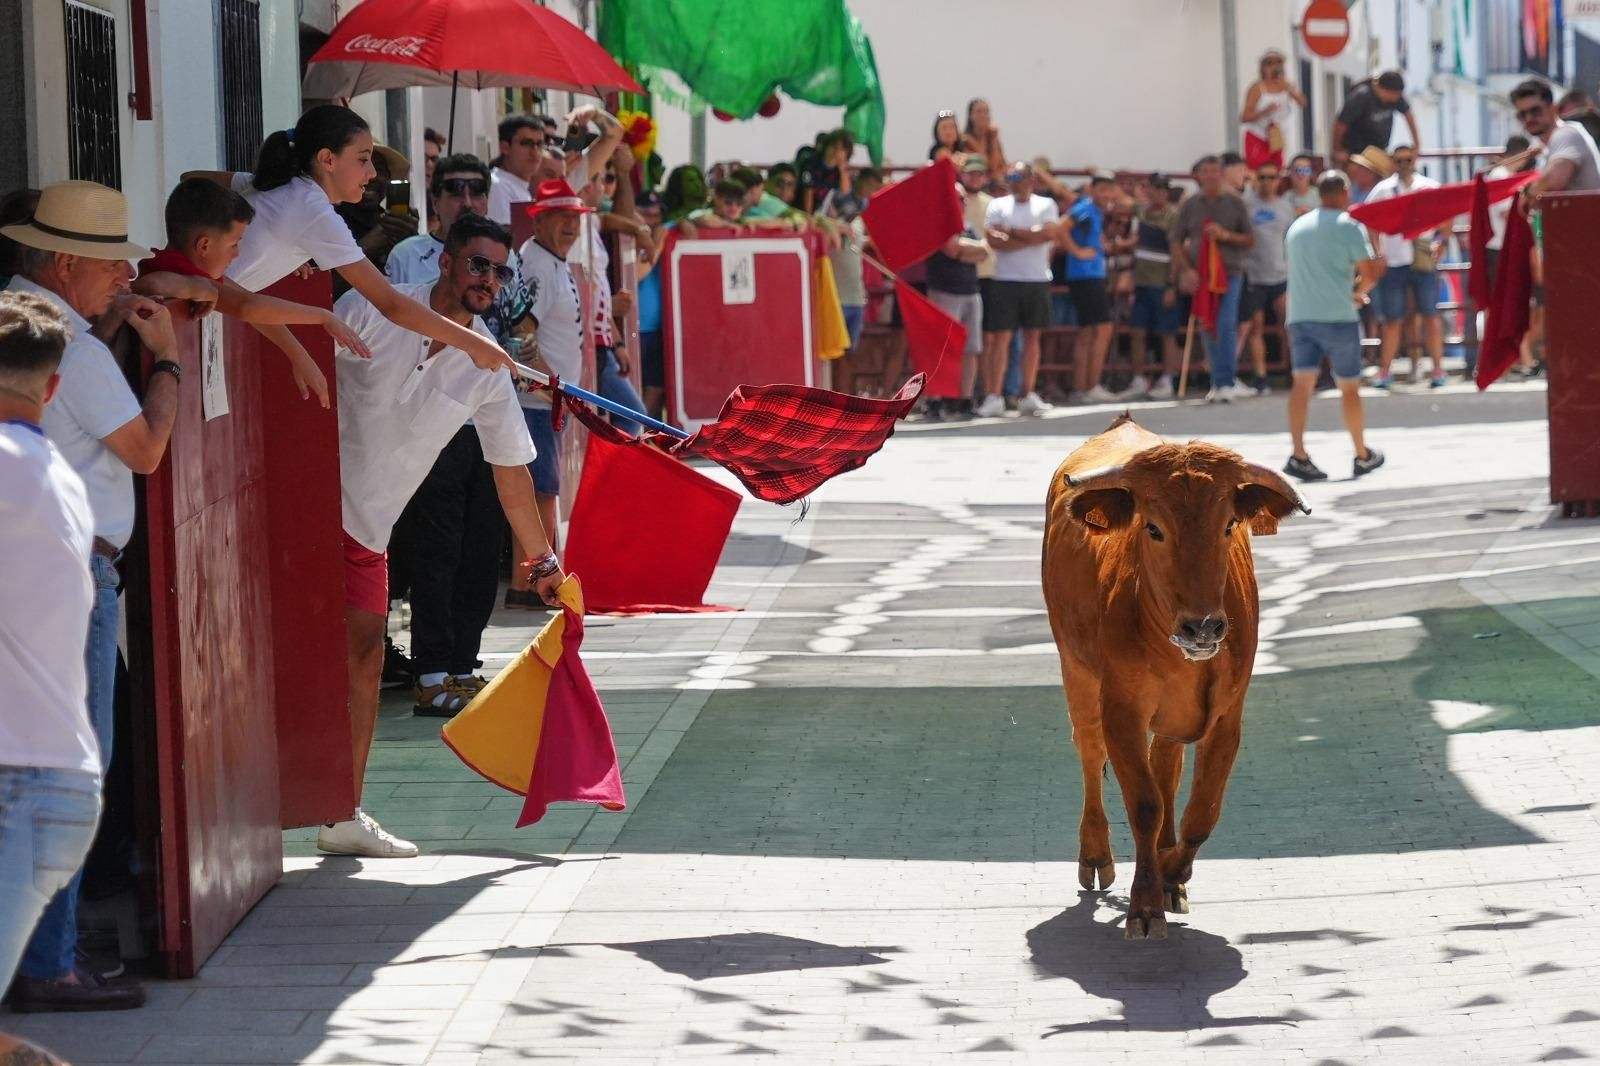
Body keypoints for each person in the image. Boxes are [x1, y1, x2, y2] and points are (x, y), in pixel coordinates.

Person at [328, 215, 564, 855]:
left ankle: (342, 814)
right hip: (304, 513)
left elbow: (511, 477)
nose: (489, 279)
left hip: (367, 531)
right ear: (446, 263)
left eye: (499, 270)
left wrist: (542, 561)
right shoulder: (370, 308)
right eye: (477, 264)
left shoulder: (489, 367)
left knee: (364, 663)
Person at [2, 180, 176, 1011]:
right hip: (71, 576)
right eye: (112, 264)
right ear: (67, 262)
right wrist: (170, 359)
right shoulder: (77, 346)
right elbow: (145, 449)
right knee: (71, 770)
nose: (126, 275)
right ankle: (50, 961)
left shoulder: (27, 322)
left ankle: (42, 951)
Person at [185, 106, 516, 377]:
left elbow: (190, 180)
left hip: (189, 308)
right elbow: (393, 305)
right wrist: (474, 343)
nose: (372, 173)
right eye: (363, 159)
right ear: (328, 159)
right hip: (188, 313)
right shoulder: (313, 209)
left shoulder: (280, 189)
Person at [381, 152, 536, 712]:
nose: (465, 197)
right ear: (436, 194)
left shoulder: (503, 259)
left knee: (479, 549)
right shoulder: (406, 258)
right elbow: (399, 326)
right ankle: (431, 671)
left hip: (489, 417)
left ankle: (461, 665)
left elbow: (521, 326)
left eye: (476, 188)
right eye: (454, 188)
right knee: (435, 551)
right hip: (431, 426)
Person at [0, 293, 102, 998]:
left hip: (23, 785)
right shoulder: (54, 474)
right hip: (45, 782)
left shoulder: (7, 464)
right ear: (55, 388)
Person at [132, 177, 374, 408]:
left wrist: (299, 356)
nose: (237, 254)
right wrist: (324, 317)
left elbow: (250, 302)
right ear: (204, 245)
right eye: (234, 244)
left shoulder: (195, 276)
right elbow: (246, 307)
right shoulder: (183, 274)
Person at [511, 180, 590, 606]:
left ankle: (531, 582)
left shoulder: (550, 259)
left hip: (545, 399)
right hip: (536, 401)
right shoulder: (540, 264)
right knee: (541, 491)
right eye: (561, 218)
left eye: (575, 218)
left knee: (543, 489)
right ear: (538, 220)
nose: (570, 226)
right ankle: (529, 585)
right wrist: (548, 388)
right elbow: (523, 335)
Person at [1281, 170, 1385, 482]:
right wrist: (1357, 294)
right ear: (1342, 193)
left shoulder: (1297, 227)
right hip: (1338, 316)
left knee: (1302, 385)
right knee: (1349, 386)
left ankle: (1299, 453)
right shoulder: (1349, 225)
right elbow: (1369, 273)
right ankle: (1361, 453)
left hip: (1300, 315)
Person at [1171, 155, 1254, 402]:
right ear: (1199, 175)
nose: (1210, 175)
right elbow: (1176, 240)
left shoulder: (1236, 203)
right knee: (1207, 324)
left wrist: (1225, 235)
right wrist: (1187, 270)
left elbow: (1250, 239)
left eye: (1215, 170)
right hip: (1201, 274)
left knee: (1226, 323)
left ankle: (1226, 380)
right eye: (1205, 171)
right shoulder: (1190, 205)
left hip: (1230, 272)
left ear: (1221, 173)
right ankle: (1217, 382)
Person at [979, 161, 1058, 417]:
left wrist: (1012, 233)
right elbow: (993, 240)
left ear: (1030, 179)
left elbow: (1047, 235)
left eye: (1019, 176)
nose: (1014, 181)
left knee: (1032, 338)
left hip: (1036, 279)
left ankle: (1027, 393)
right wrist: (1030, 238)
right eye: (1010, 176)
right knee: (1001, 339)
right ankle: (994, 395)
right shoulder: (997, 205)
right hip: (1005, 279)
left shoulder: (1045, 205)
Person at [1364, 145, 1446, 388]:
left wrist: (1440, 242)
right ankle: (1386, 370)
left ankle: (1438, 369)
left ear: (1414, 160)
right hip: (1394, 257)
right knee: (1393, 318)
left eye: (1407, 160)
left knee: (1430, 315)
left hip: (1422, 256)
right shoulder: (1383, 190)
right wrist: (1378, 252)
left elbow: (1446, 218)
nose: (1403, 164)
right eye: (1399, 160)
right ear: (1392, 161)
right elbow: (1370, 220)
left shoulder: (1429, 187)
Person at [924, 182, 990, 418]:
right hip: (944, 291)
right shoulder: (938, 225)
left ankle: (964, 400)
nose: (962, 202)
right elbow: (951, 248)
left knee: (971, 349)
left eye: (963, 199)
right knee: (940, 349)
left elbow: (984, 252)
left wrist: (966, 251)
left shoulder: (969, 227)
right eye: (957, 198)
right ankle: (934, 400)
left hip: (970, 292)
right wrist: (967, 251)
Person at [1238, 161, 1296, 395]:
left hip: (1281, 275)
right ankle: (1261, 377)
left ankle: (1297, 372)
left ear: (1278, 180)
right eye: (1262, 177)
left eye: (1271, 177)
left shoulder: (1285, 206)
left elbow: (1292, 239)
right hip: (1254, 276)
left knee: (1290, 325)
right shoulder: (1246, 205)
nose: (1266, 182)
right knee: (1255, 328)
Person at [1124, 174, 1182, 400]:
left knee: (1167, 333)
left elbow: (1176, 251)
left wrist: (1171, 284)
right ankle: (1139, 379)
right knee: (1137, 331)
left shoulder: (1174, 216)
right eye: (1155, 188)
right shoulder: (1143, 211)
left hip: (1162, 282)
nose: (1159, 192)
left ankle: (1168, 379)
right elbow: (1124, 200)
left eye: (1163, 188)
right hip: (1142, 282)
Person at [1063, 171, 1118, 404]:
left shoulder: (1093, 210)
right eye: (1102, 189)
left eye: (1109, 189)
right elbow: (1061, 227)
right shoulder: (1085, 208)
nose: (1106, 194)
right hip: (1086, 276)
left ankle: (1082, 387)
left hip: (1086, 276)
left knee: (1087, 332)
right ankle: (1091, 386)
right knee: (1102, 329)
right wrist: (1076, 252)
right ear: (1092, 190)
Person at [335, 144, 417, 273]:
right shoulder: (329, 221)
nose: (371, 176)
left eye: (379, 169)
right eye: (360, 166)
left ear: (389, 178)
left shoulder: (397, 225)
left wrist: (411, 243)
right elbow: (325, 287)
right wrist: (368, 246)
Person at [1513, 78, 1600, 199]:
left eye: (1535, 111)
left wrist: (1527, 193)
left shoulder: (1566, 133)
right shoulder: (1544, 146)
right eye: (1522, 114)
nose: (1529, 119)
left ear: (1553, 108)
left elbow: (1555, 180)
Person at [1332, 70, 1419, 165]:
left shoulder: (1395, 99)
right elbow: (1340, 124)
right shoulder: (1361, 96)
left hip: (1379, 152)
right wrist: (1338, 149)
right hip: (1356, 154)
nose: (1396, 99)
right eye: (1394, 95)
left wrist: (1417, 145)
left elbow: (1409, 116)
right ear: (1383, 89)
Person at [1241, 49, 1306, 169]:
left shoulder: (1286, 86)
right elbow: (1244, 117)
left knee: (1277, 170)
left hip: (1277, 138)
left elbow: (1302, 102)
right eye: (1269, 64)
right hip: (1258, 136)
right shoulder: (1257, 88)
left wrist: (1290, 89)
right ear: (1263, 68)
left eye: (1277, 63)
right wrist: (1264, 111)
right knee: (1258, 171)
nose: (1273, 67)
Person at [487, 114, 548, 226]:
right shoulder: (498, 186)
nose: (535, 152)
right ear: (505, 147)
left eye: (539, 144)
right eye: (526, 143)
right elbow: (503, 240)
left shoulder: (517, 185)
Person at [961, 98, 1007, 183]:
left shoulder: (992, 137)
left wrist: (993, 140)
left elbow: (1002, 166)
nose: (983, 115)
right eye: (978, 112)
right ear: (971, 116)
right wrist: (973, 143)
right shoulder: (964, 141)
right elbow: (986, 165)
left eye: (986, 112)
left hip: (994, 184)